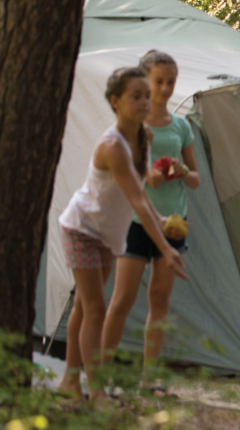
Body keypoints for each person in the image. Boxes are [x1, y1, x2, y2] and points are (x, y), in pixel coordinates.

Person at [57, 67, 187, 405]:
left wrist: (162, 220)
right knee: (96, 309)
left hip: (105, 233)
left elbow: (143, 194)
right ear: (115, 101)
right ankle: (96, 392)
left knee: (85, 307)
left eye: (147, 95)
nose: (145, 101)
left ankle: (69, 384)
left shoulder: (142, 136)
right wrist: (166, 248)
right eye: (137, 96)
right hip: (82, 228)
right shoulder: (112, 146)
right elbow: (137, 202)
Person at [101, 52, 199, 395]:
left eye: (170, 82)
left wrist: (180, 170)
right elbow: (123, 177)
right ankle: (102, 374)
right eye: (158, 81)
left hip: (173, 223)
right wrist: (149, 178)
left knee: (160, 298)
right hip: (135, 222)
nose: (165, 88)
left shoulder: (181, 126)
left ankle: (150, 378)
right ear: (144, 82)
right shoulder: (134, 126)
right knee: (122, 297)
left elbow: (196, 179)